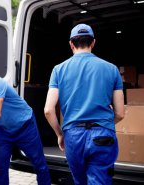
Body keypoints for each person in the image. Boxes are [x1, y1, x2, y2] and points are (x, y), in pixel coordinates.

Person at [44, 23, 125, 185]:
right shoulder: (112, 69)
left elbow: (48, 110)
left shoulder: (58, 70)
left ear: (71, 44)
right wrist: (105, 123)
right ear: (93, 43)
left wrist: (60, 134)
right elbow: (120, 113)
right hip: (103, 136)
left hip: (73, 136)